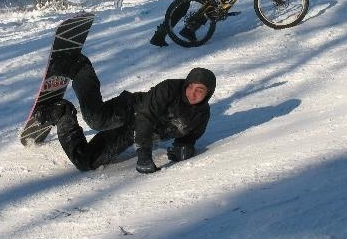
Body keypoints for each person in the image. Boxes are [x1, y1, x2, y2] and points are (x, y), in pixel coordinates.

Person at [34, 51, 216, 174]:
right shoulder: (169, 88)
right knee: (96, 120)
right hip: (131, 109)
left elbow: (188, 139)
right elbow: (146, 116)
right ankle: (80, 69)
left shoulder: (201, 116)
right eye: (191, 87)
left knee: (85, 162)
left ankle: (62, 114)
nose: (193, 93)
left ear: (208, 94)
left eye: (199, 90)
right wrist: (144, 154)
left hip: (130, 133)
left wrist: (184, 150)